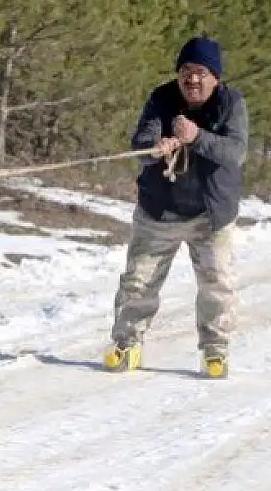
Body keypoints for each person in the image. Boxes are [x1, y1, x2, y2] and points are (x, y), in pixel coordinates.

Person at [104, 35, 249, 379]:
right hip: (159, 210)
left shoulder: (231, 103)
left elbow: (235, 153)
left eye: (201, 72)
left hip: (210, 215)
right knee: (138, 283)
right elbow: (141, 140)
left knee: (217, 285)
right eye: (186, 71)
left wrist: (196, 137)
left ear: (216, 77)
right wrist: (155, 146)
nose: (192, 79)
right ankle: (127, 343)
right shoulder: (162, 97)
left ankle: (215, 351)